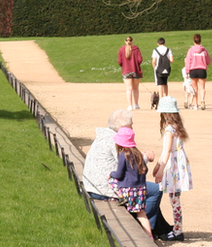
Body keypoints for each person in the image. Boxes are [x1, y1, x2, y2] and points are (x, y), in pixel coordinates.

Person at [82, 109, 170, 238]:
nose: (133, 129)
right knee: (155, 190)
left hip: (93, 185)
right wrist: (145, 158)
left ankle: (158, 228)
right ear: (123, 128)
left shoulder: (103, 136)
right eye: (131, 125)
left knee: (145, 189)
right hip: (104, 189)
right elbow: (131, 166)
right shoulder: (115, 141)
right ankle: (144, 229)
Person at [153, 96, 193, 242]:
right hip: (177, 164)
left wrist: (160, 169)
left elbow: (167, 151)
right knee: (174, 198)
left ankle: (178, 230)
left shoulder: (170, 130)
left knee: (174, 199)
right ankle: (177, 228)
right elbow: (165, 151)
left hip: (173, 166)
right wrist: (158, 165)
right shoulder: (177, 128)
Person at [108, 127, 153, 237]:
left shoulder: (123, 155)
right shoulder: (138, 154)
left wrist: (111, 173)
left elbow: (119, 174)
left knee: (111, 180)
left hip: (128, 190)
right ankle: (150, 237)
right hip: (141, 189)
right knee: (142, 214)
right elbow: (145, 170)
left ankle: (120, 197)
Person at [184, 34, 210, 110]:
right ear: (200, 41)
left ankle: (196, 105)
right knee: (202, 87)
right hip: (202, 69)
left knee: (195, 88)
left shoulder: (191, 50)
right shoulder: (204, 50)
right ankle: (202, 100)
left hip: (193, 70)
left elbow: (188, 62)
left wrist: (187, 71)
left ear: (193, 41)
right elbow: (208, 60)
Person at [118, 36, 144, 110]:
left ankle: (130, 105)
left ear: (125, 41)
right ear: (132, 41)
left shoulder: (121, 49)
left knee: (128, 89)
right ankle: (136, 104)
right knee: (136, 88)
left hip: (126, 70)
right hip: (135, 70)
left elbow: (119, 61)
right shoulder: (136, 49)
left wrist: (124, 65)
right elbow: (140, 60)